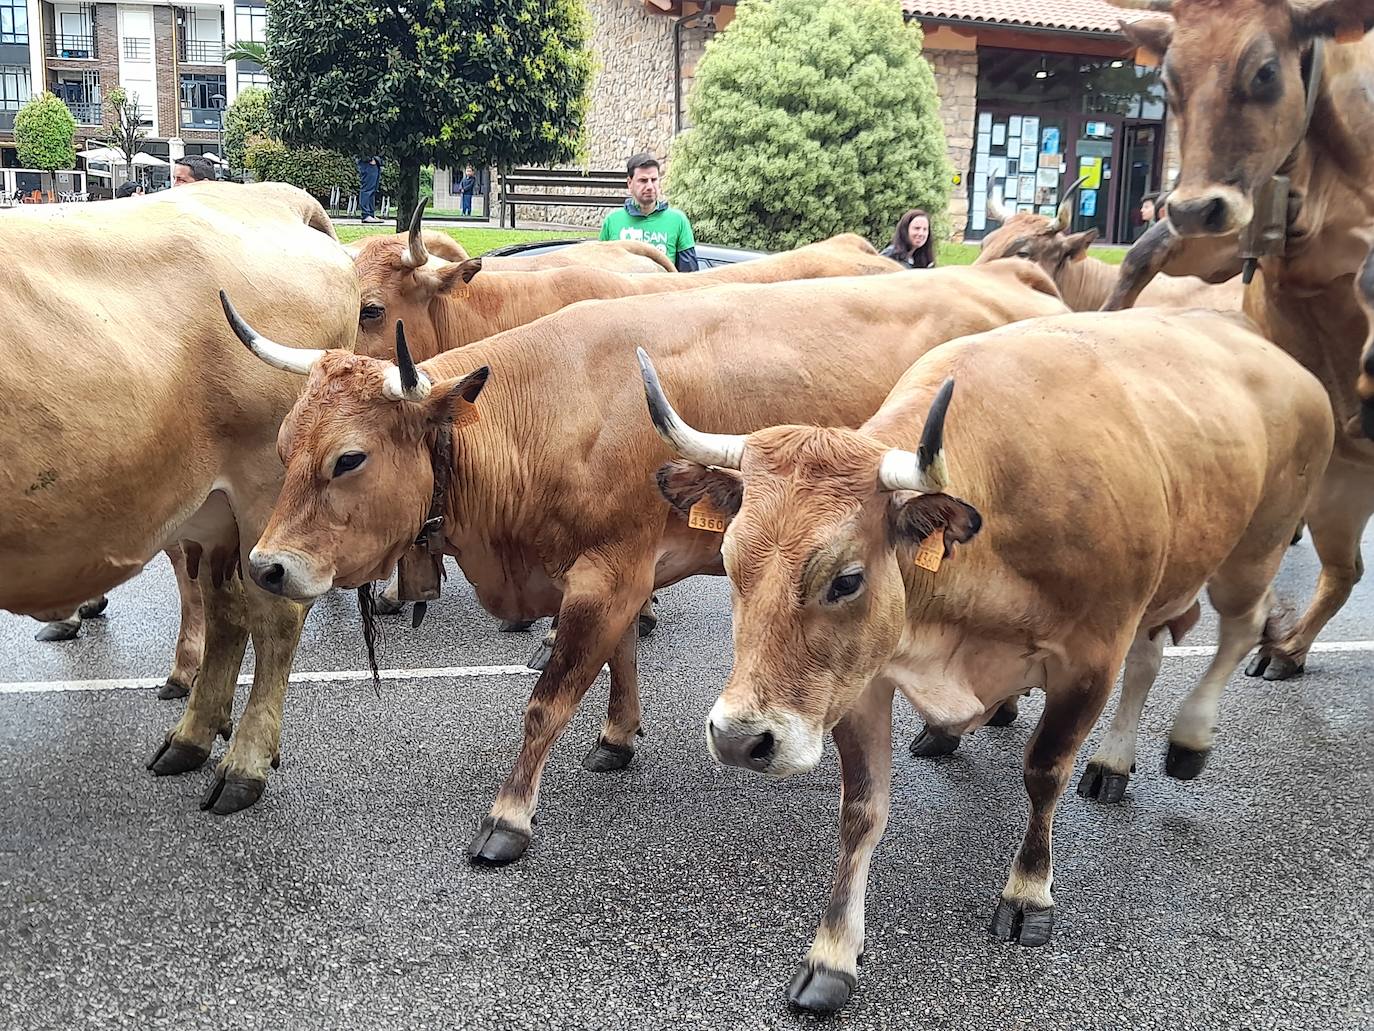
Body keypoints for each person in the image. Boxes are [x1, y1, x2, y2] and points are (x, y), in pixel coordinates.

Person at [599, 152, 698, 272]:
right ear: (630, 183)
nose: (650, 186)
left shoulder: (678, 220)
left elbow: (689, 277)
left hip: (663, 290)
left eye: (654, 180)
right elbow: (600, 271)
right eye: (643, 180)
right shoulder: (612, 221)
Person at [357, 154, 383, 224]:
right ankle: (366, 214)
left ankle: (371, 214)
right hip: (368, 162)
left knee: (372, 190)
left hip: (374, 162)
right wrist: (370, 159)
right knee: (367, 189)